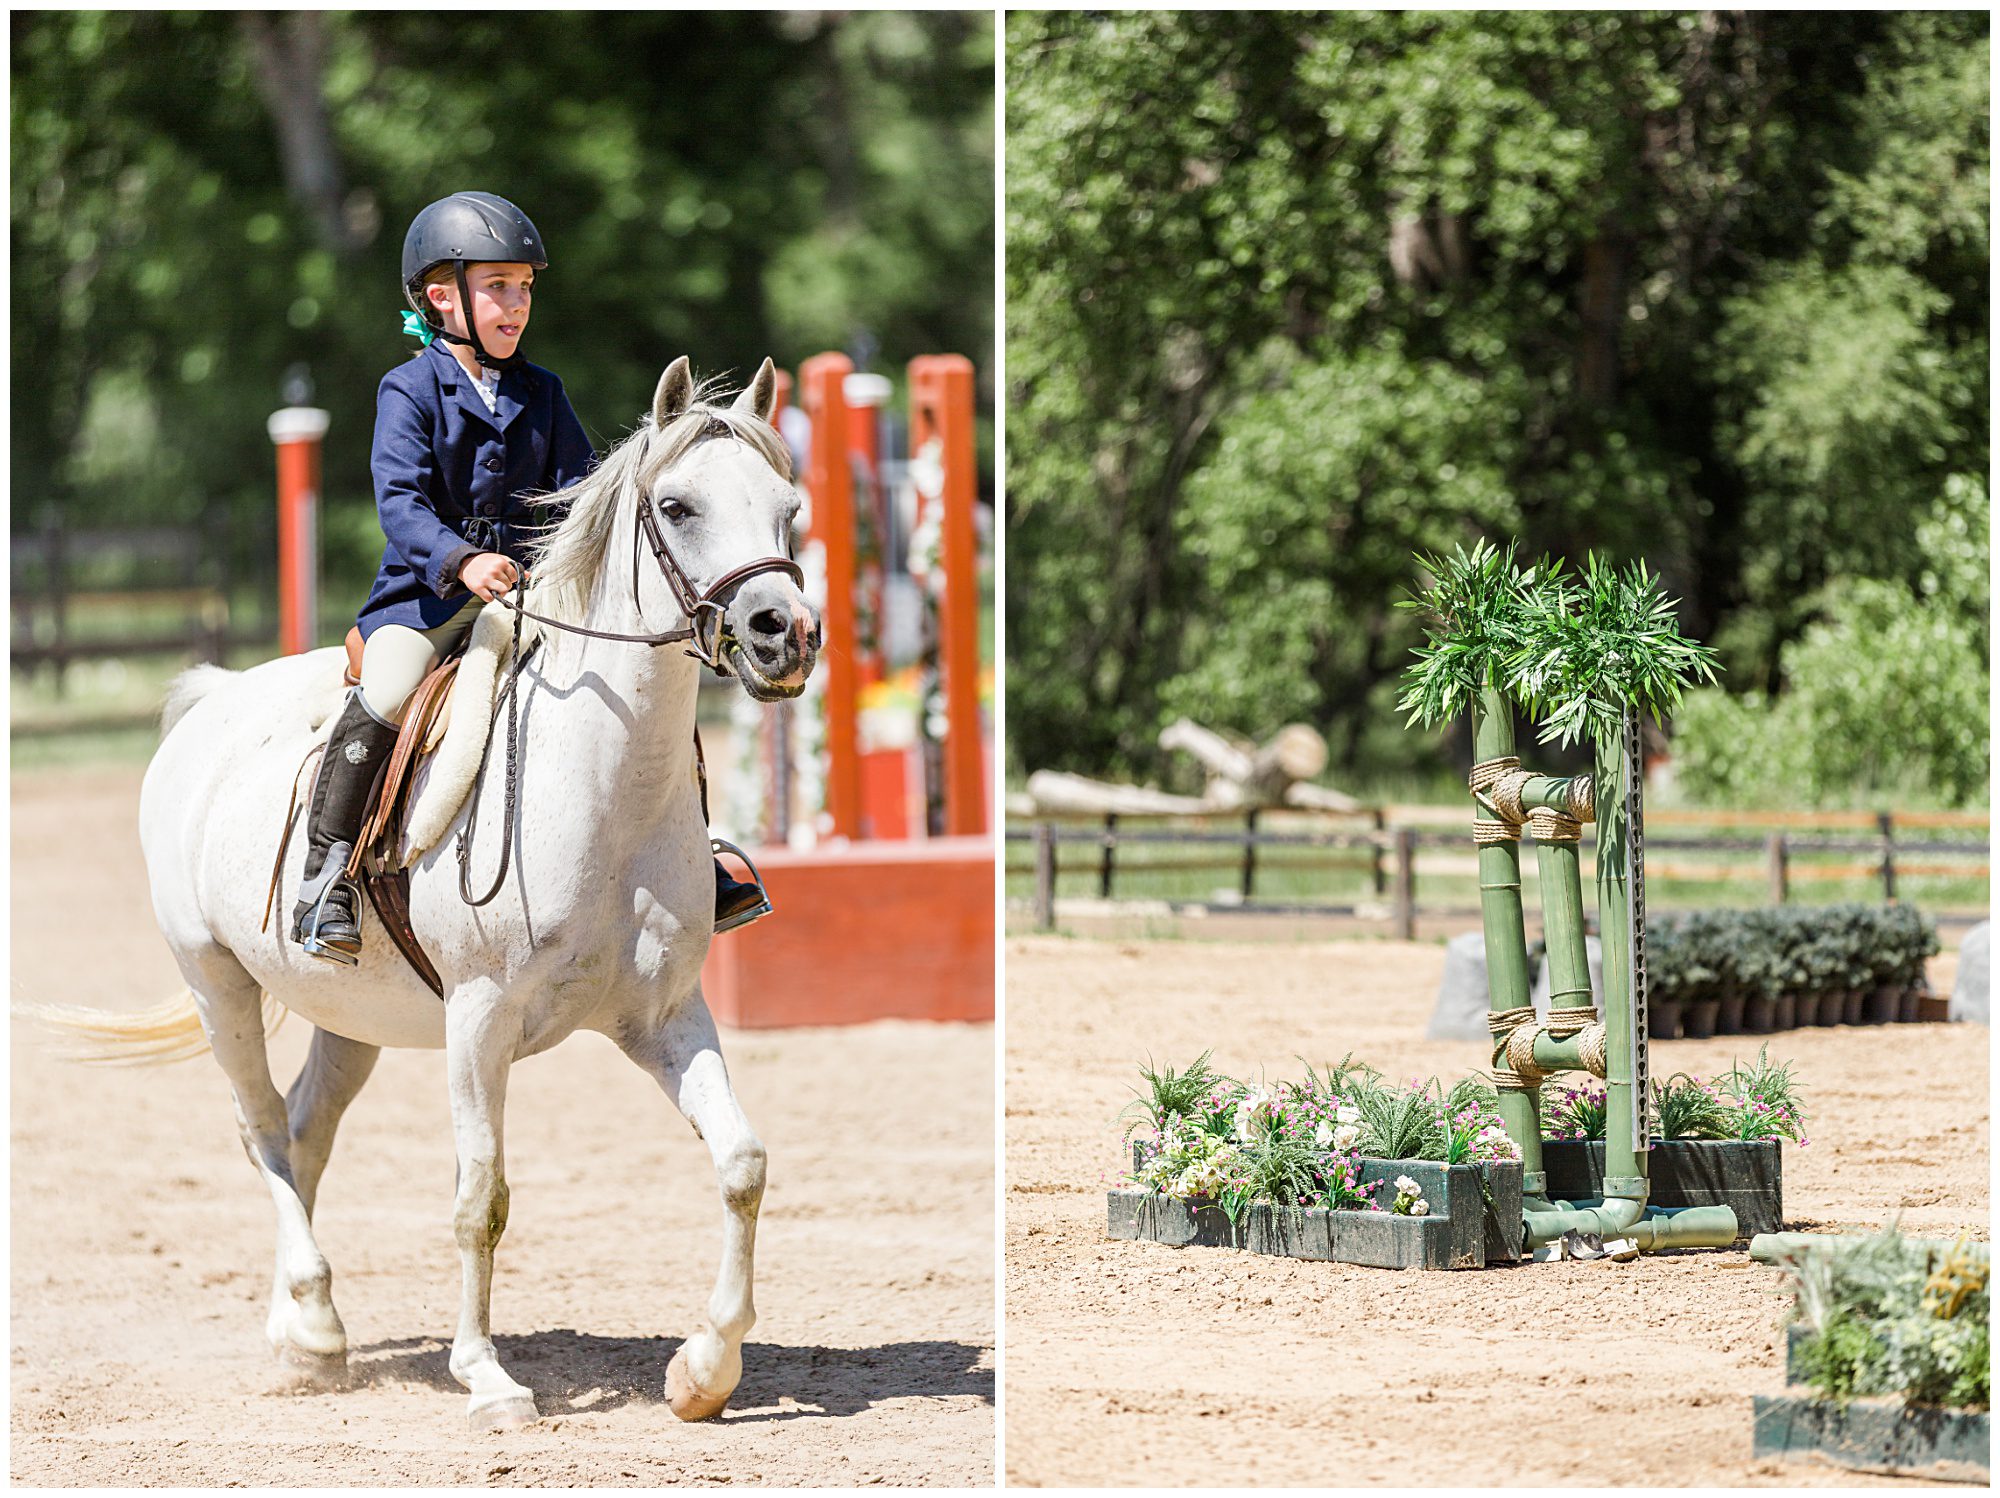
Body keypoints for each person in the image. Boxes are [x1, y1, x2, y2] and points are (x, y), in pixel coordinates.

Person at [292, 191, 771, 964]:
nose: (515, 305)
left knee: (637, 689)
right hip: (428, 602)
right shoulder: (407, 391)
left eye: (523, 288)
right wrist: (463, 560)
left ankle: (696, 863)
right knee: (383, 695)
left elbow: (584, 493)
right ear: (442, 296)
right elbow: (401, 506)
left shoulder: (541, 392)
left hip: (537, 599)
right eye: (497, 288)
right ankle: (327, 877)